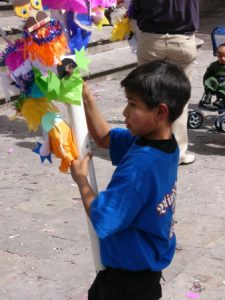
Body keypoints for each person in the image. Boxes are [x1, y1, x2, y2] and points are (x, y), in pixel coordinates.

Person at [70, 60, 191, 300]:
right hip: (146, 273)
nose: (124, 112)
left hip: (126, 283)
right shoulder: (164, 144)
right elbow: (105, 138)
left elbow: (104, 219)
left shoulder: (140, 168)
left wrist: (82, 180)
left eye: (132, 104)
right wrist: (87, 98)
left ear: (160, 111)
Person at [131, 0, 199, 165]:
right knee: (179, 98)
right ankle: (178, 152)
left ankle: (147, 146)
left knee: (147, 95)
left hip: (151, 40)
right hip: (182, 40)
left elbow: (135, 10)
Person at [199, 43, 225, 109]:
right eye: (220, 56)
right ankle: (208, 96)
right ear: (217, 56)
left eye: (224, 56)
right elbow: (208, 73)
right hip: (215, 81)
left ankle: (221, 100)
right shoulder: (214, 65)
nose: (222, 58)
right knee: (210, 80)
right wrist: (209, 78)